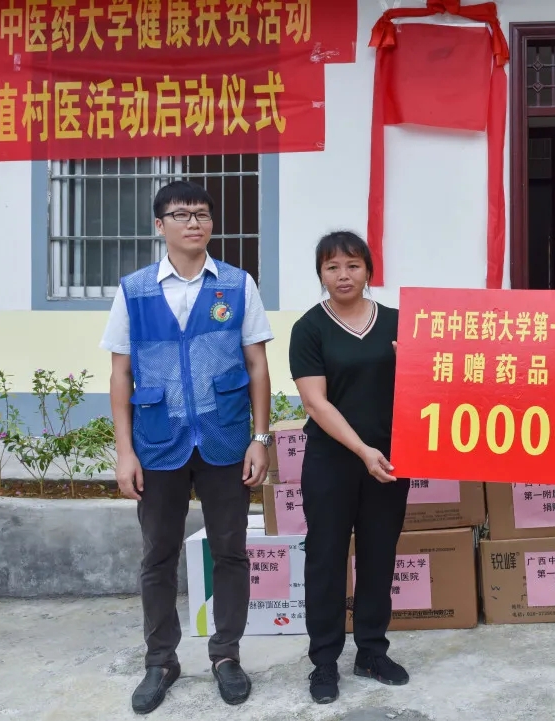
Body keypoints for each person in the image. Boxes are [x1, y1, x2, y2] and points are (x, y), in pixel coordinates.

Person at [100, 180, 274, 714]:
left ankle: (226, 655)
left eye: (202, 214)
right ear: (160, 226)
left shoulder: (237, 284)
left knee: (230, 551)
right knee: (158, 555)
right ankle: (161, 660)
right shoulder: (134, 290)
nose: (193, 222)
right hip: (158, 443)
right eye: (181, 214)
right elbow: (120, 373)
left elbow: (257, 364)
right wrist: (125, 451)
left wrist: (260, 438)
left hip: (226, 439)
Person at [288, 231, 410, 705]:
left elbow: (429, 383)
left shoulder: (398, 323)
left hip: (390, 460)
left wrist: (412, 363)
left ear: (369, 270)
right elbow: (315, 403)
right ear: (321, 274)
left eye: (353, 265)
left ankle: (372, 652)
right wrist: (362, 450)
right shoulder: (309, 328)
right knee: (326, 558)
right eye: (332, 267)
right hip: (332, 461)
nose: (343, 275)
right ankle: (324, 661)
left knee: (379, 555)